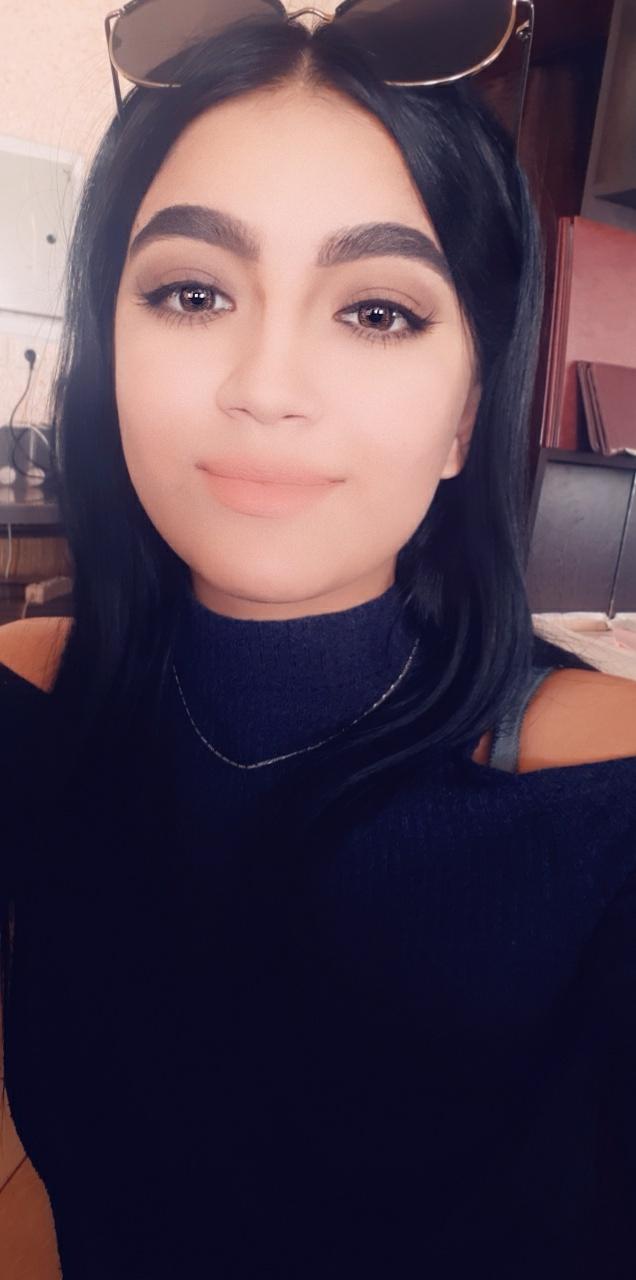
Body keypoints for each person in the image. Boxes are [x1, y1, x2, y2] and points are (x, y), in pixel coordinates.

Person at [0, 12, 635, 1280]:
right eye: (193, 293)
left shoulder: (599, 800)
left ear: (466, 413)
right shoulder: (28, 699)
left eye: (379, 311)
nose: (267, 385)